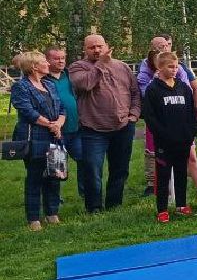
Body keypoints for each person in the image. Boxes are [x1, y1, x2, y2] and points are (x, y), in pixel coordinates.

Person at [68, 34, 140, 213]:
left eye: (100, 46)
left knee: (120, 169)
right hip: (93, 129)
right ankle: (94, 208)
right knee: (92, 170)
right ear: (85, 49)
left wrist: (134, 115)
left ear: (107, 46)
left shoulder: (122, 66)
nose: (97, 50)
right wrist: (101, 63)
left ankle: (114, 205)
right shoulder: (77, 68)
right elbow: (85, 84)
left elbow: (135, 93)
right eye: (92, 47)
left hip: (123, 126)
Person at [137, 33, 197, 202]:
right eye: (159, 47)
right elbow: (149, 104)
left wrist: (195, 117)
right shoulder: (146, 75)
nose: (163, 49)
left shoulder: (181, 72)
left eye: (166, 45)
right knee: (163, 162)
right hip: (163, 126)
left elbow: (190, 91)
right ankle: (165, 198)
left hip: (182, 126)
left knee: (190, 156)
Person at [140, 51, 197, 223]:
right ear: (160, 67)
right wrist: (163, 134)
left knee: (181, 172)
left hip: (183, 139)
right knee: (164, 174)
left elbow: (191, 112)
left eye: (176, 67)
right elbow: (150, 117)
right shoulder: (153, 89)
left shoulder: (183, 87)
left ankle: (181, 205)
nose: (174, 70)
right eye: (170, 67)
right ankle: (162, 209)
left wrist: (191, 132)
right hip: (164, 142)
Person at [10, 51, 65, 231]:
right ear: (34, 67)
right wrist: (51, 125)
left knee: (54, 174)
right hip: (35, 136)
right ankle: (34, 218)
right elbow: (28, 111)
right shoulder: (21, 87)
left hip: (54, 135)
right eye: (44, 62)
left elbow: (62, 108)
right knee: (35, 177)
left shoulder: (49, 84)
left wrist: (59, 123)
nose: (48, 64)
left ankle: (52, 213)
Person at [42, 44, 81, 207]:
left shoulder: (69, 75)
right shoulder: (42, 79)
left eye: (63, 58)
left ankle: (86, 193)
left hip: (76, 129)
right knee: (55, 167)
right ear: (47, 60)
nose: (60, 61)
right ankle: (54, 200)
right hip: (55, 131)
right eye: (56, 58)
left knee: (85, 160)